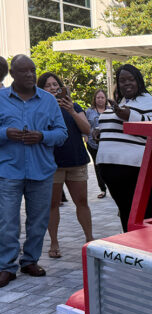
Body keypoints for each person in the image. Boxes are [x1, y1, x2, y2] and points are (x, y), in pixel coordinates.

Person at [0, 55, 67, 287]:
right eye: (24, 71)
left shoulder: (48, 101)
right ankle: (6, 266)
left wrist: (42, 136)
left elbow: (62, 133)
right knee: (8, 221)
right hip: (9, 170)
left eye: (33, 70)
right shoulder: (0, 99)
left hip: (41, 171)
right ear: (12, 75)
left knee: (38, 220)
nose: (30, 75)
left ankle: (30, 261)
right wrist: (4, 133)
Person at [96, 64, 152, 232]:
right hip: (111, 168)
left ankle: (149, 247)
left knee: (144, 212)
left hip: (138, 168)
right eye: (122, 80)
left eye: (131, 79)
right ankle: (133, 246)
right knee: (126, 212)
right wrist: (99, 130)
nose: (127, 84)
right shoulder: (121, 103)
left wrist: (129, 116)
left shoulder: (151, 102)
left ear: (139, 81)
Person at [37, 72, 94, 258]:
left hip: (76, 161)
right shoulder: (39, 108)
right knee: (52, 204)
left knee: (82, 202)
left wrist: (71, 110)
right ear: (41, 89)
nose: (53, 88)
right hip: (52, 164)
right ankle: (54, 243)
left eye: (56, 85)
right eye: (48, 85)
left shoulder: (74, 106)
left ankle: (90, 239)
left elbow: (87, 130)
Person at [85, 89, 108, 199]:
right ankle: (102, 189)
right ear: (95, 99)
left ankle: (112, 186)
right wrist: (85, 136)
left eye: (102, 97)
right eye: (98, 97)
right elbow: (85, 125)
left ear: (106, 99)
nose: (100, 99)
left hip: (108, 143)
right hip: (93, 143)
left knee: (108, 166)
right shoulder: (89, 111)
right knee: (97, 166)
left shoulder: (111, 110)